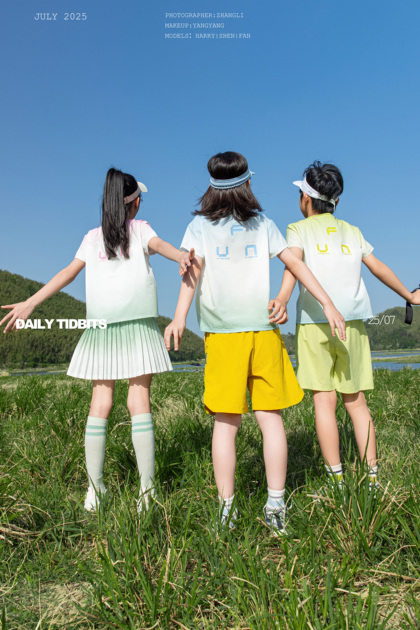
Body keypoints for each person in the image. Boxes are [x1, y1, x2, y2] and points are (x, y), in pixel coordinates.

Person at [164, 151, 346, 535]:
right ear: (248, 183)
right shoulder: (263, 223)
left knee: (225, 424)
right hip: (263, 333)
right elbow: (295, 265)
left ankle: (227, 510)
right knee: (270, 419)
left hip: (223, 337)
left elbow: (190, 274)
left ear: (212, 188)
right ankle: (276, 504)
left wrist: (180, 317)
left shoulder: (199, 227)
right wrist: (327, 302)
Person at [1, 167, 194, 512]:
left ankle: (95, 491)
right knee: (139, 402)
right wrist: (181, 256)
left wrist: (31, 303)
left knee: (100, 404)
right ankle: (147, 492)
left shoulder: (92, 238)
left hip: (100, 328)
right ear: (134, 203)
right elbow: (161, 246)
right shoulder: (140, 229)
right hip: (138, 325)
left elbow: (67, 273)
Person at [277, 161, 420, 493]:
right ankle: (373, 479)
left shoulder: (297, 229)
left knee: (324, 402)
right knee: (356, 402)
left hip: (314, 323)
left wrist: (282, 298)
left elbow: (292, 265)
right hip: (352, 324)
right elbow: (377, 267)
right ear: (336, 200)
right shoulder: (352, 231)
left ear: (305, 198)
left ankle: (336, 480)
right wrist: (409, 295)